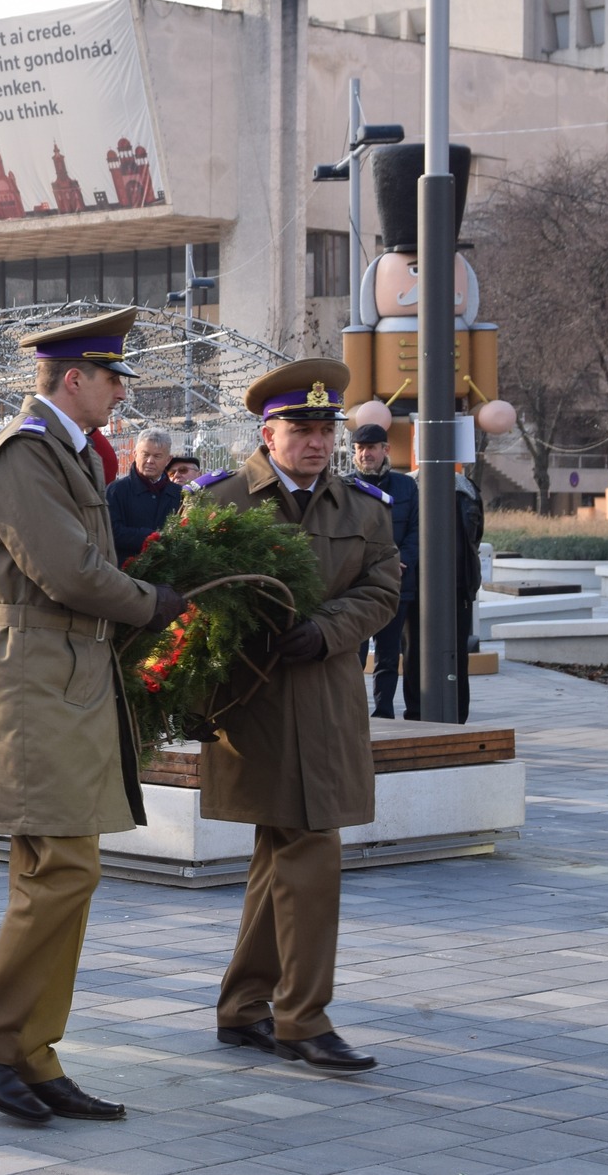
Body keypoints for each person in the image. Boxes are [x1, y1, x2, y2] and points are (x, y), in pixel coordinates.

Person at [0, 308, 181, 1125]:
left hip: (60, 673)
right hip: (32, 676)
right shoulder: (23, 454)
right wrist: (155, 603)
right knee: (63, 866)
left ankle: (30, 1051)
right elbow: (70, 572)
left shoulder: (63, 452)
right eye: (113, 377)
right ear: (73, 378)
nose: (121, 392)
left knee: (56, 868)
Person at [195, 359, 400, 1074]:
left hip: (328, 699)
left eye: (326, 428)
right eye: (302, 429)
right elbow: (184, 597)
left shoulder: (363, 507)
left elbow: (384, 587)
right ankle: (302, 1020)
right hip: (253, 704)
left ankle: (246, 1008)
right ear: (267, 432)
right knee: (304, 849)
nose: (317, 442)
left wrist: (327, 628)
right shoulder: (219, 502)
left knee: (286, 850)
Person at [350, 424, 420, 720]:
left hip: (397, 583)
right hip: (356, 585)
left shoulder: (406, 486)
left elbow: (418, 530)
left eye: (372, 447)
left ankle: (384, 712)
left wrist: (398, 560)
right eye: (360, 448)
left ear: (385, 450)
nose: (366, 454)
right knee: (354, 655)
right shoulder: (344, 486)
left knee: (389, 655)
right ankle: (352, 713)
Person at [107, 427, 184, 562]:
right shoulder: (116, 491)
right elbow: (111, 531)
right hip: (126, 573)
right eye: (145, 454)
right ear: (135, 454)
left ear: (168, 459)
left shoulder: (179, 494)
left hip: (170, 572)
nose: (150, 461)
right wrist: (151, 537)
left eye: (157, 456)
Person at [452, 464, 486, 723]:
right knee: (416, 655)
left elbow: (474, 537)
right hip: (420, 589)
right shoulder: (413, 486)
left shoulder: (468, 490)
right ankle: (418, 715)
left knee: (459, 655)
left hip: (460, 586)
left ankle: (459, 715)